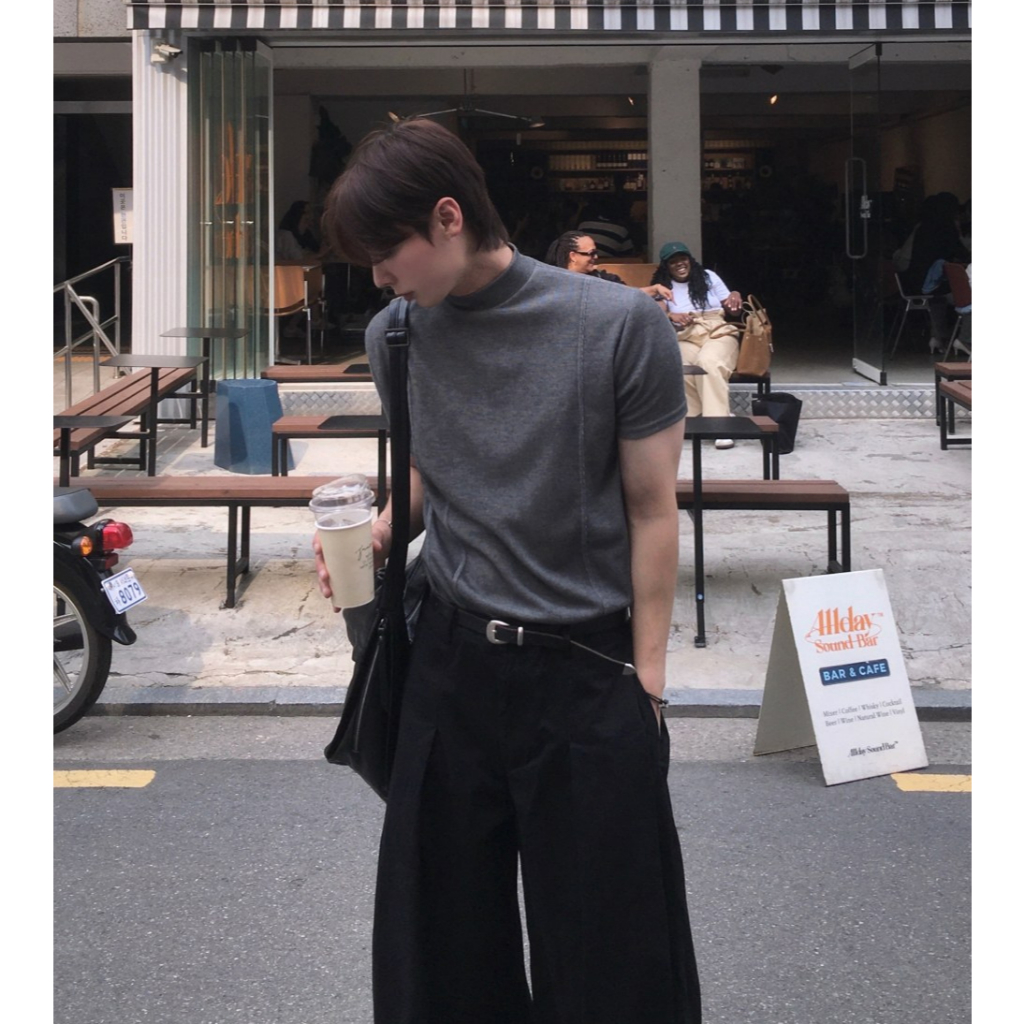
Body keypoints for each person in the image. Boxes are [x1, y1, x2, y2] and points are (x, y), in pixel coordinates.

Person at [317, 117, 702, 1024]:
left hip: (587, 669)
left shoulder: (617, 327)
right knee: (442, 955)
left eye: (385, 254)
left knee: (611, 962)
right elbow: (428, 468)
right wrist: (383, 529)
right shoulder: (396, 335)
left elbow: (653, 511)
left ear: (448, 217)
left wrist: (648, 682)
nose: (379, 279)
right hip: (450, 669)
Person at [652, 241, 744, 450]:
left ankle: (720, 426)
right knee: (679, 363)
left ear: (690, 260)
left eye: (683, 259)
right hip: (687, 334)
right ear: (666, 266)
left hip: (717, 330)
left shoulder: (708, 276)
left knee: (708, 362)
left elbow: (734, 311)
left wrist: (735, 296)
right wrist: (671, 315)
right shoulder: (662, 285)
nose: (680, 264)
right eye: (673, 262)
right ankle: (701, 417)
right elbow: (657, 312)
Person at [900, 192, 970, 353]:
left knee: (939, 299)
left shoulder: (922, 228)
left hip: (917, 282)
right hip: (934, 284)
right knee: (966, 294)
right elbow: (961, 253)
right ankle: (965, 339)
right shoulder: (946, 228)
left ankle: (937, 337)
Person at [546, 230, 672, 301]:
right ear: (573, 256)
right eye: (591, 253)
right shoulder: (553, 283)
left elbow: (628, 294)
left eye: (596, 253)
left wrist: (654, 289)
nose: (596, 257)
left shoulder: (603, 279)